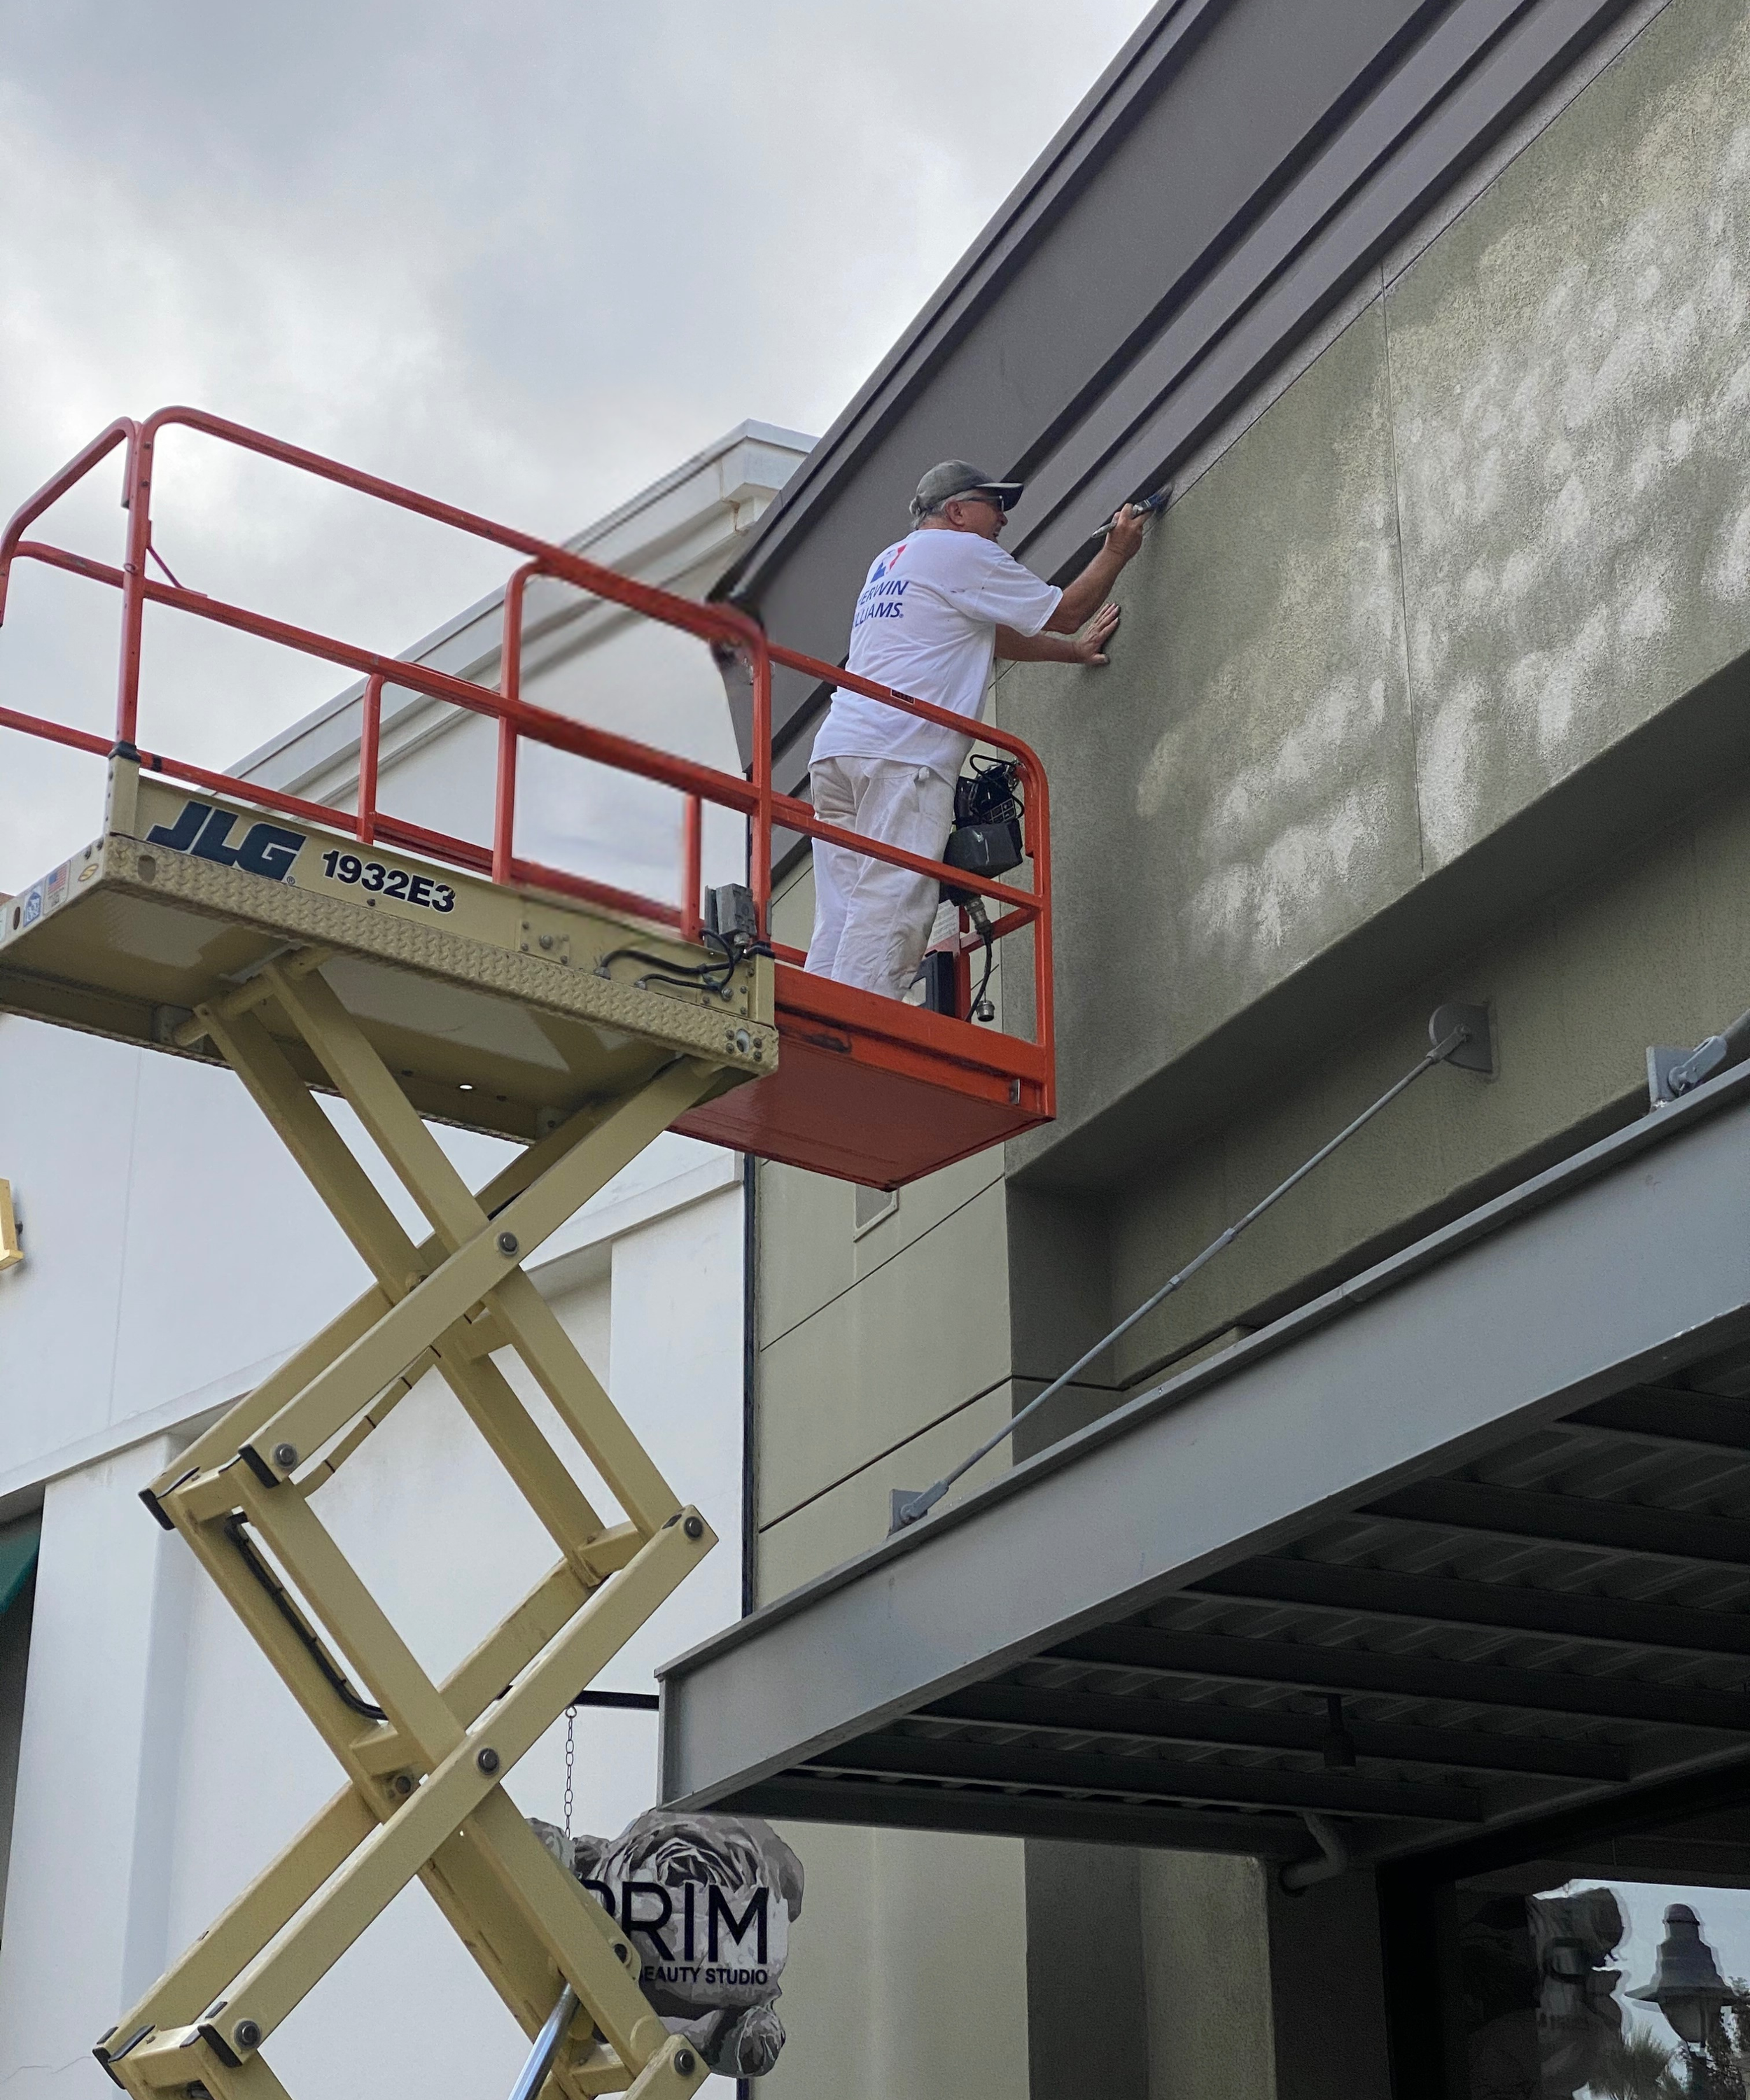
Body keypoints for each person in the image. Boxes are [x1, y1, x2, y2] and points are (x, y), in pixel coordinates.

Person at [804, 458, 1149, 999]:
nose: (1005, 520)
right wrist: (1117, 550)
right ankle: (852, 1030)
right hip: (903, 751)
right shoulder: (963, 552)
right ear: (958, 512)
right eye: (996, 506)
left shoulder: (891, 562)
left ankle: (813, 1017)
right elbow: (1064, 611)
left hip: (840, 750)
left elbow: (986, 634)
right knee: (892, 901)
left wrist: (1071, 655)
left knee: (844, 907)